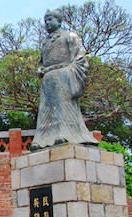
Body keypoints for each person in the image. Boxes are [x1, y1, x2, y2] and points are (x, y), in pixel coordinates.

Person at [31, 9, 98, 150]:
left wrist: (68, 72)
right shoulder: (46, 42)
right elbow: (42, 63)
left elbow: (80, 59)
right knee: (45, 111)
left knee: (63, 106)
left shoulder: (69, 37)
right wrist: (41, 70)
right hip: (48, 80)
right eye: (45, 21)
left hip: (64, 77)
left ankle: (66, 135)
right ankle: (43, 140)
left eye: (50, 19)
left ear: (59, 21)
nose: (47, 23)